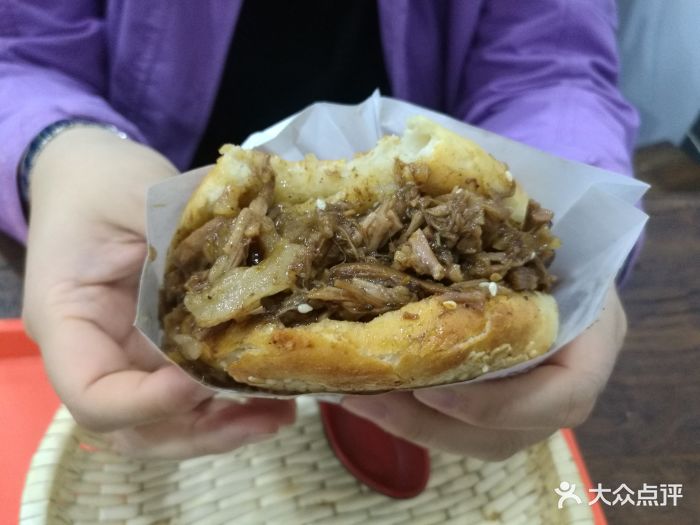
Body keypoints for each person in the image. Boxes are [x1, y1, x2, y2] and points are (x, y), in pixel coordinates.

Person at [2, 1, 636, 460]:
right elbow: (20, 47)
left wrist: (585, 236)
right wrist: (55, 147)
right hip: (139, 219)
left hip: (477, 219)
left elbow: (554, 62)